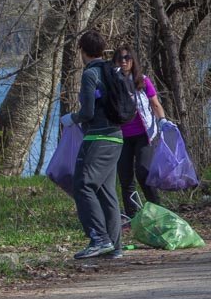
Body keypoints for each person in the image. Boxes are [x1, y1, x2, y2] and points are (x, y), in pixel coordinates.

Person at [61, 31, 123, 260]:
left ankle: (99, 238)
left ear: (82, 51)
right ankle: (114, 247)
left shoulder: (90, 75)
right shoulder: (112, 70)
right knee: (107, 192)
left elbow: (87, 112)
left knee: (83, 185)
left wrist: (72, 118)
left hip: (98, 138)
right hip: (117, 137)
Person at [114, 45, 167, 219]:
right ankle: (133, 216)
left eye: (127, 57)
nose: (123, 61)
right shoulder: (113, 81)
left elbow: (155, 103)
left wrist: (163, 121)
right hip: (122, 136)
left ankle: (158, 212)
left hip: (144, 134)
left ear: (133, 60)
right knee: (125, 176)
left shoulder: (142, 81)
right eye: (120, 58)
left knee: (143, 171)